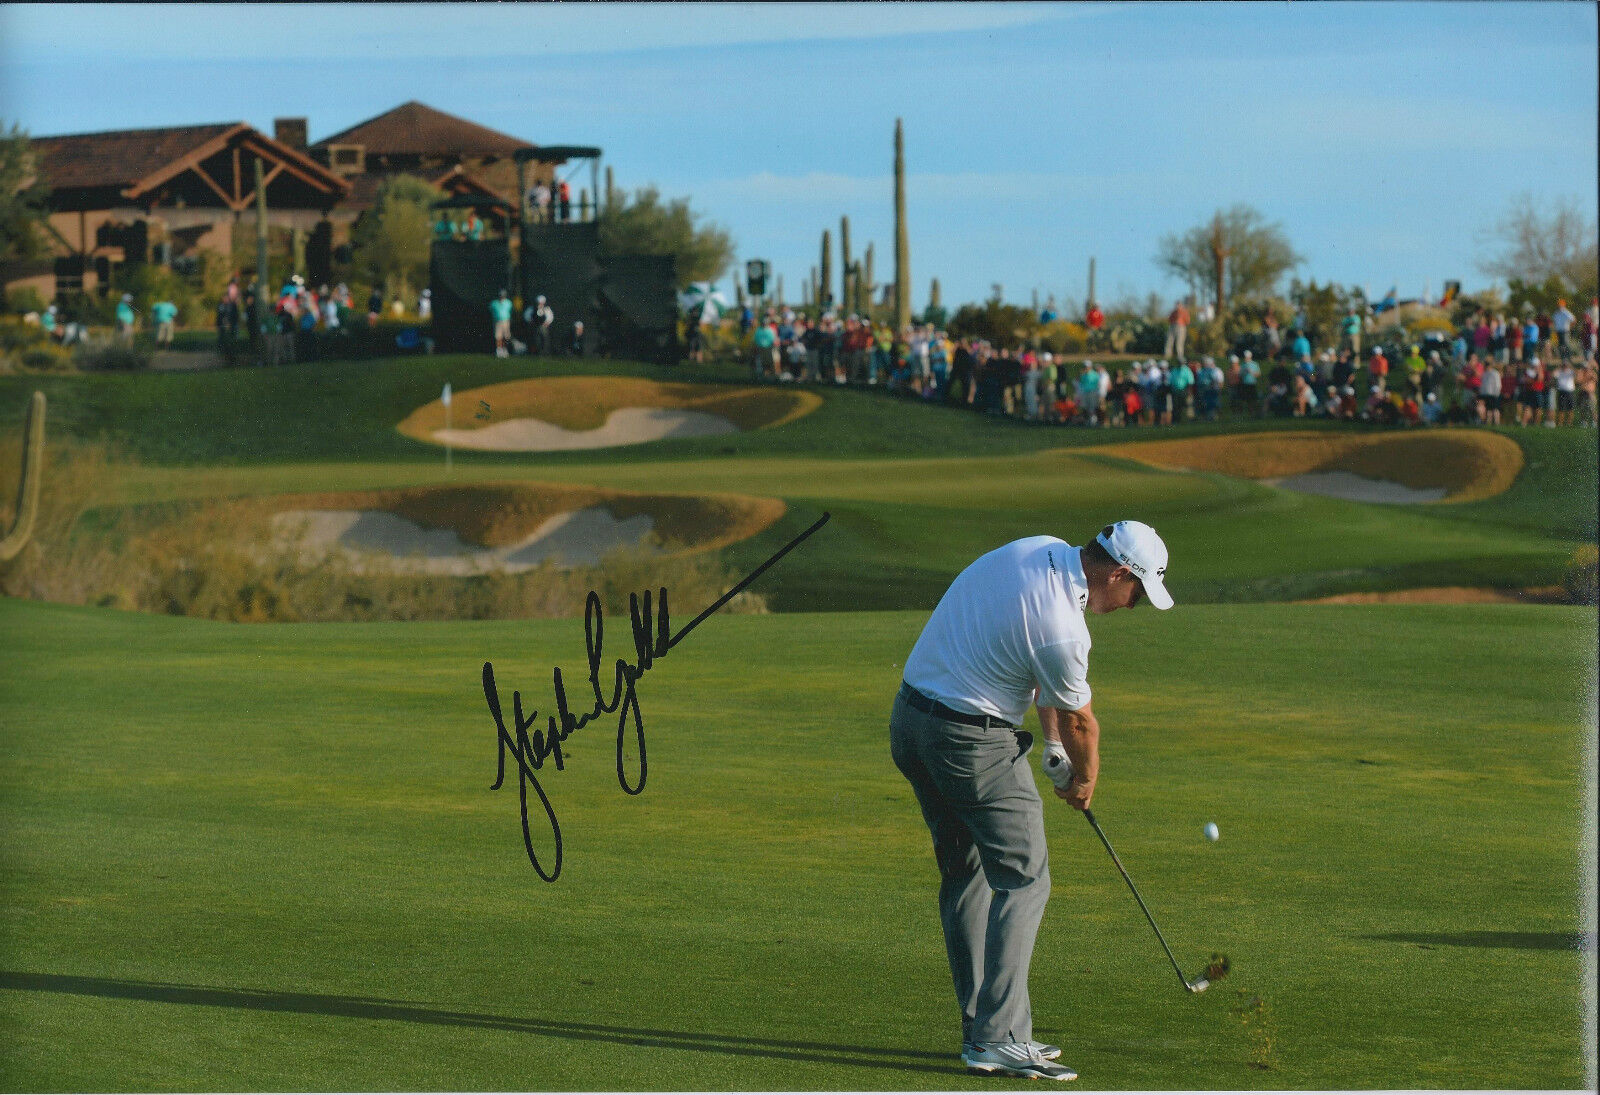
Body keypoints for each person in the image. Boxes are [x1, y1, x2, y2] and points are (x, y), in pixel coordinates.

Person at [890, 520, 1173, 1083]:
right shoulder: (1065, 629)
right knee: (1025, 878)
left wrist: (1049, 749)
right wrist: (1083, 779)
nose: (1131, 604)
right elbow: (1081, 722)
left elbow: (1040, 680)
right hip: (970, 741)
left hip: (912, 722)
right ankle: (1000, 1037)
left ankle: (983, 1030)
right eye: (1136, 592)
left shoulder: (1036, 550)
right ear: (1118, 573)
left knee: (965, 872)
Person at [490, 289, 513, 357]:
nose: (502, 297)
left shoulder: (508, 302)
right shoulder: (494, 303)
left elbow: (510, 311)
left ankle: (505, 350)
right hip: (497, 321)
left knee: (506, 336)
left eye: (503, 295)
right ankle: (499, 350)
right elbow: (491, 311)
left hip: (506, 321)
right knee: (498, 336)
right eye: (501, 295)